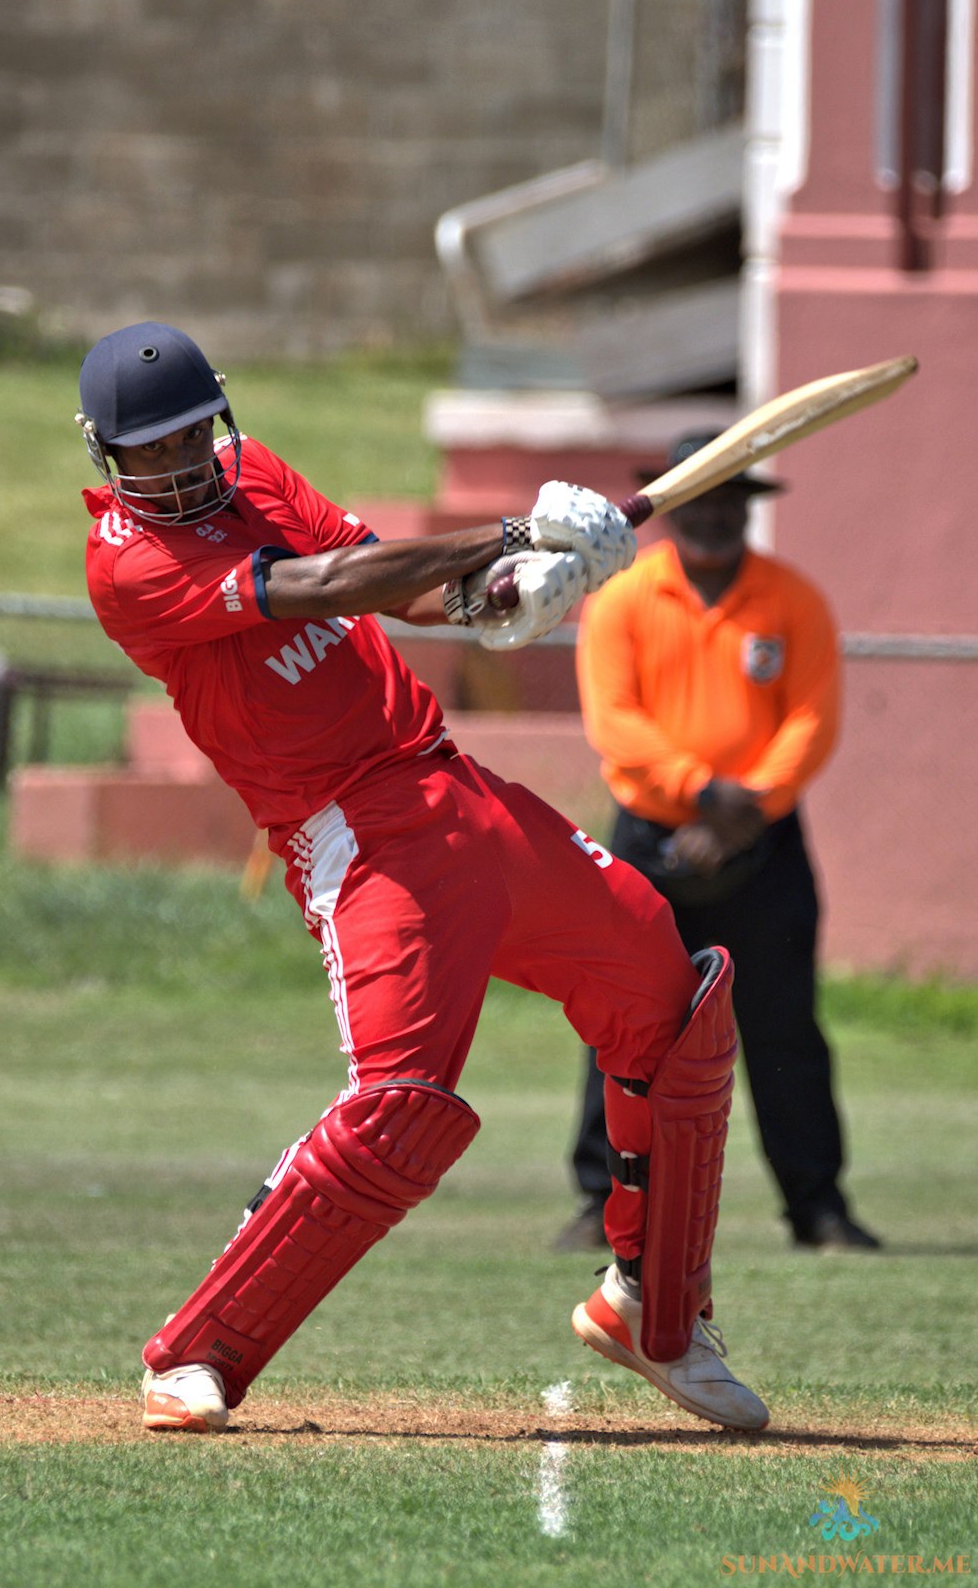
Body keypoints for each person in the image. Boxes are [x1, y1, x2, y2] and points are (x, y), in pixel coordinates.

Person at [75, 323, 770, 1435]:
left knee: (666, 992)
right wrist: (509, 529)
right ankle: (192, 1352)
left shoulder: (253, 475)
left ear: (219, 418)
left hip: (449, 784)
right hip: (353, 832)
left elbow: (400, 596)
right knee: (397, 1109)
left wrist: (513, 591)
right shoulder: (129, 562)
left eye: (188, 434)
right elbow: (327, 582)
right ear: (108, 457)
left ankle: (656, 1313)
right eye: (146, 449)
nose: (174, 463)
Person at [554, 432, 879, 1257]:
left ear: (747, 506)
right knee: (628, 1026)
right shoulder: (622, 598)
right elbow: (615, 723)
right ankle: (604, 1201)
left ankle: (817, 1209)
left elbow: (811, 719)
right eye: (696, 496)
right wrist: (701, 791)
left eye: (729, 496)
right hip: (649, 835)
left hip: (762, 839)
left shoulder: (790, 598)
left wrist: (746, 808)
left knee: (782, 1028)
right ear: (669, 506)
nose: (713, 513)